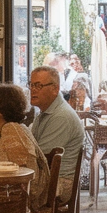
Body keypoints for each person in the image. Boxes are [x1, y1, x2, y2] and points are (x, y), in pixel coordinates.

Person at [28, 65, 84, 195]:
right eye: (31, 85)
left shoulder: (61, 116)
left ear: (55, 89)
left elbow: (42, 158)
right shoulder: (45, 112)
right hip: (50, 177)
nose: (32, 90)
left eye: (38, 86)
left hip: (60, 182)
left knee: (7, 194)